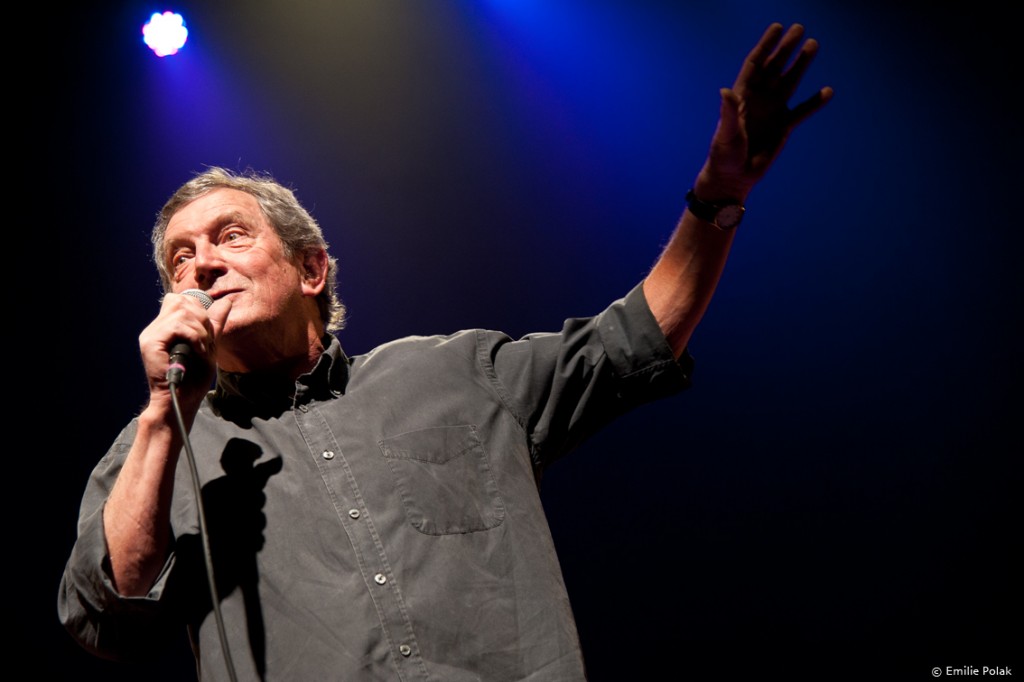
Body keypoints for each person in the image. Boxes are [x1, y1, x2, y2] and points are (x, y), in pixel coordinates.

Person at [59, 23, 831, 681]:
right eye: (181, 258)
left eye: (230, 236)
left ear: (311, 269)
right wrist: (162, 413)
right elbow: (104, 615)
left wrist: (719, 193)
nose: (202, 264)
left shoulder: (456, 373)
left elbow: (637, 338)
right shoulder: (161, 447)